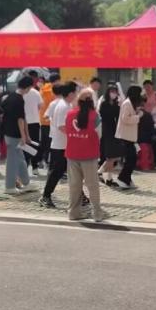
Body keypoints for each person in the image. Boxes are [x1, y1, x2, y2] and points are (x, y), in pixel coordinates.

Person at [65, 90, 105, 221]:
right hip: (89, 155)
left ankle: (73, 213)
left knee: (74, 185)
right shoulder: (95, 116)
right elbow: (99, 135)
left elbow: (66, 131)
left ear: (79, 101)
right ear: (92, 102)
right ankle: (97, 213)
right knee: (92, 185)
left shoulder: (70, 114)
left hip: (72, 154)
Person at [40, 82, 77, 207]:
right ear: (71, 93)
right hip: (60, 145)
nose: (76, 95)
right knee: (57, 172)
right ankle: (45, 196)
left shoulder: (66, 104)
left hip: (64, 144)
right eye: (75, 92)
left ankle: (80, 196)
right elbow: (62, 126)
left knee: (72, 171)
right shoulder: (63, 106)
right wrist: (74, 136)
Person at [1, 77, 36, 195]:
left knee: (20, 160)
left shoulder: (10, 97)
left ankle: (26, 183)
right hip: (14, 134)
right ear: (28, 87)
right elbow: (20, 119)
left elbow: (20, 117)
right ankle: (9, 186)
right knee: (13, 161)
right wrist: (24, 136)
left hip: (8, 132)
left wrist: (26, 135)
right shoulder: (19, 100)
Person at [114, 86, 145, 190]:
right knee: (131, 159)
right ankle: (122, 178)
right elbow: (125, 119)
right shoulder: (127, 103)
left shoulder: (131, 103)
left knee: (132, 159)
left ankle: (127, 179)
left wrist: (137, 112)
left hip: (129, 136)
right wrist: (138, 116)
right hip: (125, 136)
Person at [99, 84, 123, 186]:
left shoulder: (116, 104)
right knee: (110, 156)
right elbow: (106, 115)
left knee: (113, 157)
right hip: (107, 131)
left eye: (115, 91)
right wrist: (116, 107)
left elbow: (119, 116)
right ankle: (100, 173)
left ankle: (108, 178)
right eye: (112, 91)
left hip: (115, 131)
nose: (114, 94)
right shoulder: (104, 104)